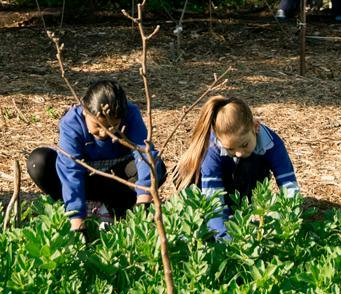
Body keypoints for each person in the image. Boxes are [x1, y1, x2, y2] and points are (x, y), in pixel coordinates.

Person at [27, 79, 166, 231]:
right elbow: (70, 170)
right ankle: (80, 207)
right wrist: (76, 219)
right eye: (98, 126)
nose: (104, 132)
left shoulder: (131, 114)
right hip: (85, 180)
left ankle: (119, 209)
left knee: (156, 166)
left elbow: (143, 154)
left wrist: (143, 202)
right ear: (85, 111)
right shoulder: (71, 122)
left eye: (112, 126)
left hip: (116, 179)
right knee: (39, 162)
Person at [172, 95, 299, 239]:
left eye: (244, 144)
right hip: (208, 186)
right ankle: (199, 221)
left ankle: (235, 214)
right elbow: (213, 199)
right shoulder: (212, 150)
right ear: (219, 138)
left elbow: (288, 184)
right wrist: (224, 237)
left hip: (239, 183)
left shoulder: (272, 143)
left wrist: (289, 224)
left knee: (248, 161)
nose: (238, 153)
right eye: (230, 149)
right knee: (202, 224)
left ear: (256, 127)